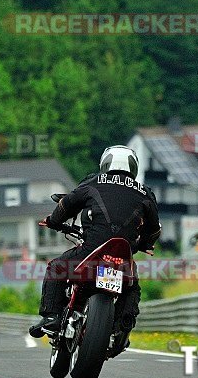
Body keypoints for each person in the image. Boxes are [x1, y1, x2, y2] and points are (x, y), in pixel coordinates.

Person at [29, 145, 161, 338]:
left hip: (93, 248)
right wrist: (145, 244)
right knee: (132, 286)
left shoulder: (94, 181)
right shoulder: (145, 193)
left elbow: (67, 204)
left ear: (105, 163)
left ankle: (51, 317)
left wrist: (53, 221)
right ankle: (123, 326)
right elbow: (154, 229)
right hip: (123, 254)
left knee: (57, 267)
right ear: (134, 167)